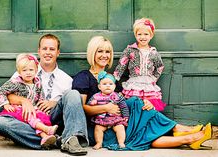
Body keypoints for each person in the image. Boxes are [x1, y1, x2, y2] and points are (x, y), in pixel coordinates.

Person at [72, 35, 212, 150]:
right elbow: (80, 109)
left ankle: (187, 137)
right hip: (99, 128)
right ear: (92, 53)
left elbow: (123, 101)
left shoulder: (111, 79)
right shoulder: (83, 77)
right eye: (100, 51)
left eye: (107, 52)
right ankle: (185, 132)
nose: (104, 55)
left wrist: (145, 102)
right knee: (142, 130)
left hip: (118, 122)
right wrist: (106, 108)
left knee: (137, 104)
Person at [0, 34, 88, 155]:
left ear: (58, 52)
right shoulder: (25, 71)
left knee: (74, 94)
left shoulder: (66, 79)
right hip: (29, 119)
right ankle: (58, 141)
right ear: (39, 51)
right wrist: (24, 101)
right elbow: (7, 95)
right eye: (44, 48)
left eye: (52, 49)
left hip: (54, 118)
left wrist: (55, 103)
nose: (48, 52)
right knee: (0, 123)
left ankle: (71, 138)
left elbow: (71, 106)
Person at [0, 53, 58, 148]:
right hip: (18, 110)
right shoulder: (15, 82)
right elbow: (0, 92)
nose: (28, 73)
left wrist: (41, 107)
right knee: (29, 118)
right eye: (24, 70)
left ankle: (45, 137)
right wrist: (5, 104)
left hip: (34, 109)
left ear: (36, 70)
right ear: (19, 72)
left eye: (31, 70)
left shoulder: (38, 83)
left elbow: (40, 97)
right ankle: (47, 130)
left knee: (39, 118)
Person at [113, 18, 166, 111]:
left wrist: (154, 78)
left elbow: (160, 66)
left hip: (149, 85)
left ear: (151, 35)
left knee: (148, 107)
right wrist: (114, 79)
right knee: (136, 105)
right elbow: (122, 64)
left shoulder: (154, 52)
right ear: (135, 35)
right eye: (139, 34)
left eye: (146, 34)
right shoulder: (130, 50)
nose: (143, 37)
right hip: (134, 84)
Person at [87, 71, 129, 149]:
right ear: (99, 87)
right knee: (98, 129)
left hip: (115, 119)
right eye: (104, 84)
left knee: (120, 128)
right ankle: (99, 143)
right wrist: (92, 103)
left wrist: (126, 115)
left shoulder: (117, 96)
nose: (108, 86)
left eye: (110, 84)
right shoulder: (96, 96)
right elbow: (89, 105)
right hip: (101, 120)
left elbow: (123, 106)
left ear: (114, 86)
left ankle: (121, 142)